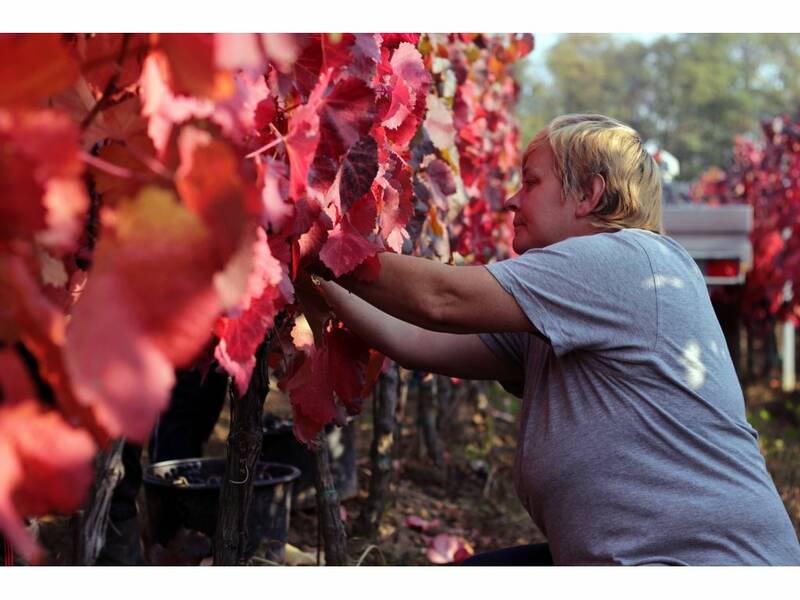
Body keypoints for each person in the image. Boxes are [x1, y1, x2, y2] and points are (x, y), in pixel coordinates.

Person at [301, 113, 800, 565]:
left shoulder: (624, 260)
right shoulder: (563, 309)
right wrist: (315, 275)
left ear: (589, 195)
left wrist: (314, 237)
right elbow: (417, 339)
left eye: (532, 183)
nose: (513, 200)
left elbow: (442, 299)